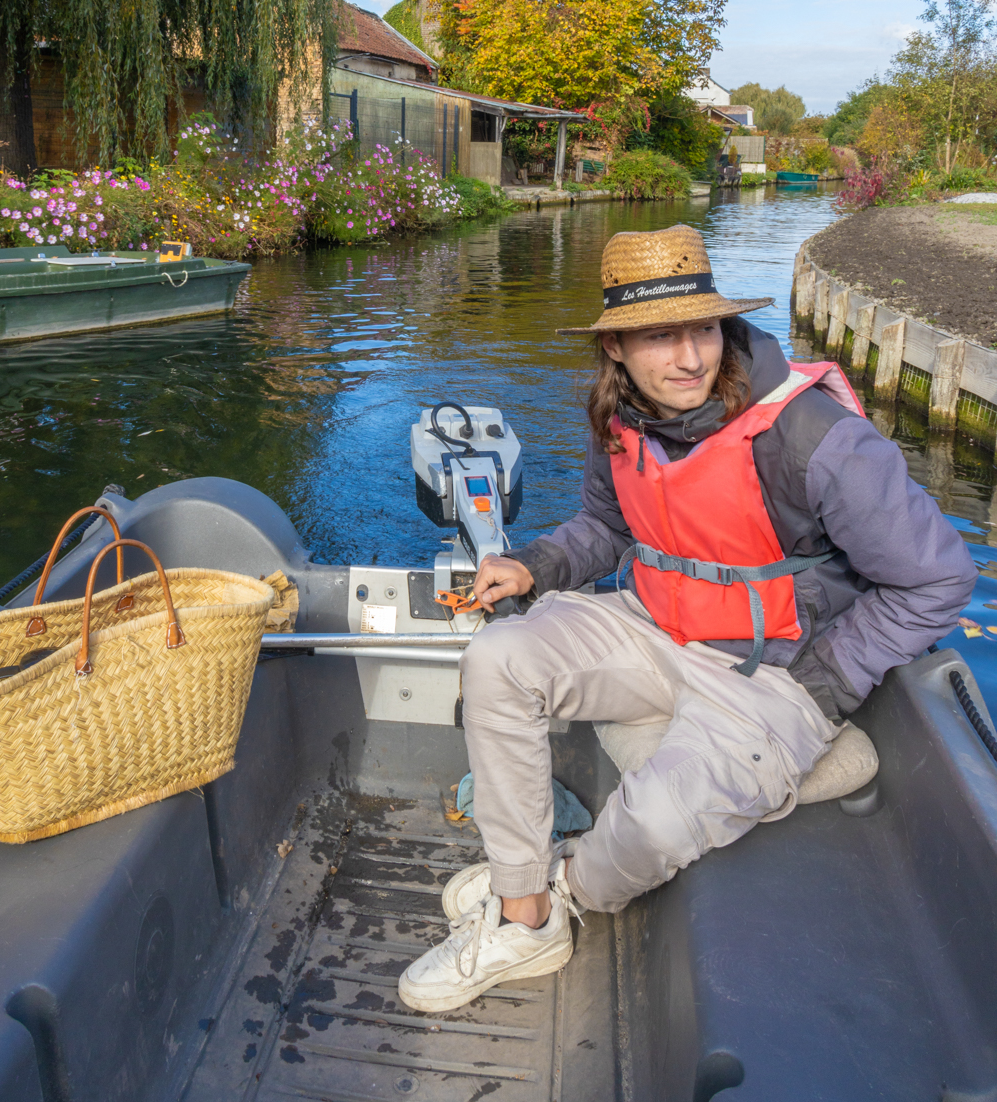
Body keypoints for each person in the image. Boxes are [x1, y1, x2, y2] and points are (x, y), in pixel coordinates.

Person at [398, 224, 976, 1014]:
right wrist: (533, 564)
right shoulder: (619, 414)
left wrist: (822, 684)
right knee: (498, 658)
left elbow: (937, 577)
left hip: (775, 667)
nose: (692, 357)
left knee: (656, 821)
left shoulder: (815, 438)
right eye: (660, 336)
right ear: (615, 350)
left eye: (702, 327)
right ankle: (525, 915)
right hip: (653, 626)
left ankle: (552, 887)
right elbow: (608, 528)